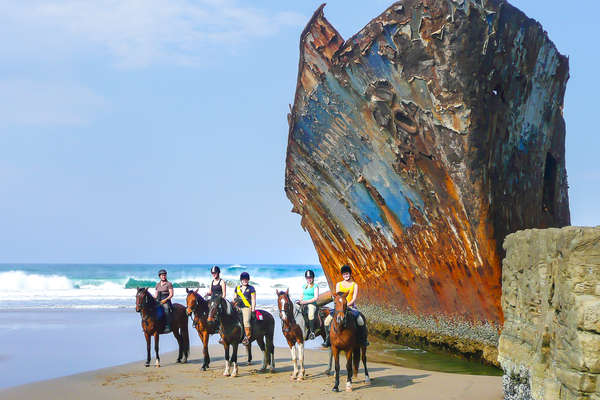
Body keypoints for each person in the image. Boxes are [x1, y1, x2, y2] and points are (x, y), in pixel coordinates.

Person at [323, 264, 369, 347]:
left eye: (347, 274)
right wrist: (341, 306)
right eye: (344, 274)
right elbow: (337, 297)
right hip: (339, 308)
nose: (346, 276)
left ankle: (363, 340)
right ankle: (327, 340)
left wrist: (347, 305)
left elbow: (354, 298)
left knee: (360, 320)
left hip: (350, 307)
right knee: (326, 321)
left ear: (350, 274)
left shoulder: (355, 285)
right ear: (342, 275)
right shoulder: (338, 285)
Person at [234, 272, 256, 345]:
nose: (244, 281)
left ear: (248, 280)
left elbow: (253, 299)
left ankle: (247, 337)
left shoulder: (251, 288)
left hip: (247, 308)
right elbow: (234, 298)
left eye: (246, 279)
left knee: (246, 321)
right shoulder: (237, 288)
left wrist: (253, 309)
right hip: (238, 307)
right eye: (243, 279)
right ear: (241, 280)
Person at [298, 269, 319, 340]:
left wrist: (306, 302)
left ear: (313, 278)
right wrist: (300, 300)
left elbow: (316, 298)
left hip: (312, 304)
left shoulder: (315, 286)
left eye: (310, 277)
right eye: (307, 278)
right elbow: (301, 295)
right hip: (303, 303)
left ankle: (312, 332)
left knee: (310, 314)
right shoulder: (304, 286)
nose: (309, 279)